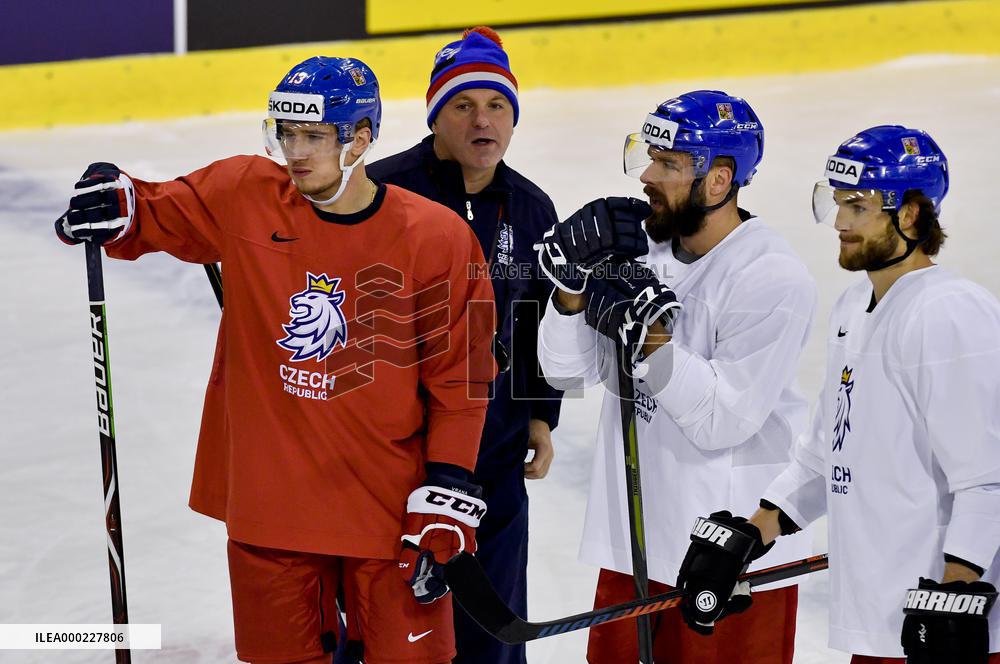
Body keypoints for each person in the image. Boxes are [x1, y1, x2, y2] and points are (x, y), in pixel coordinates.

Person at [55, 56, 497, 664]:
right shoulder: (244, 193)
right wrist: (115, 204)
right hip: (272, 509)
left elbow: (465, 375)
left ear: (361, 138)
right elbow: (152, 213)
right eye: (286, 134)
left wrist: (446, 489)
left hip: (389, 512)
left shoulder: (441, 237)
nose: (295, 152)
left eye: (314, 136)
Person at [677, 125, 1000, 663]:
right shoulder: (855, 307)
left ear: (911, 215)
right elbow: (828, 455)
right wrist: (754, 532)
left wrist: (956, 594)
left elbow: (988, 478)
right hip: (884, 622)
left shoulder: (949, 313)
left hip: (941, 633)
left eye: (858, 205)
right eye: (836, 202)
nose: (841, 222)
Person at [534, 90, 816, 663]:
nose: (646, 177)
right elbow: (564, 371)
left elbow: (722, 421)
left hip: (725, 558)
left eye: (667, 165)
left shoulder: (772, 277)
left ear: (718, 180)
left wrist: (653, 343)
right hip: (635, 546)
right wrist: (569, 291)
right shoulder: (641, 250)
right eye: (648, 157)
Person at [367, 26, 563, 664]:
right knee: (389, 628)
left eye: (498, 106)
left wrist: (540, 415)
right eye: (464, 105)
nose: (484, 121)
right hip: (396, 457)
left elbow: (535, 325)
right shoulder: (381, 195)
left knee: (493, 627)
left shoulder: (533, 210)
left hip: (494, 453)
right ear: (435, 115)